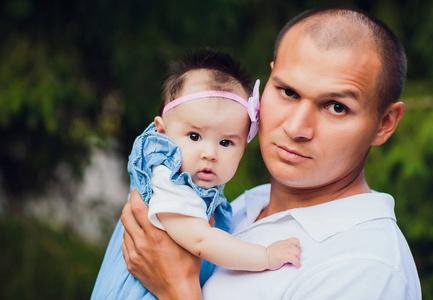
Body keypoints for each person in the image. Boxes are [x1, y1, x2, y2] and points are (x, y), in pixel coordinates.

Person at [121, 7, 422, 299]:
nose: (296, 127)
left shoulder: (367, 269)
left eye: (337, 107)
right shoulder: (240, 205)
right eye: (288, 92)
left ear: (385, 123)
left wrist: (178, 291)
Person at [91, 49, 301, 299]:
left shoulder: (195, 187)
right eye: (194, 136)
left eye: (226, 143)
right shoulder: (169, 183)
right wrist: (265, 256)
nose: (210, 153)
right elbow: (201, 241)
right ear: (161, 132)